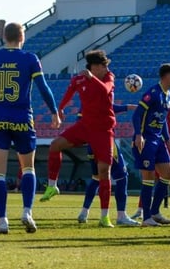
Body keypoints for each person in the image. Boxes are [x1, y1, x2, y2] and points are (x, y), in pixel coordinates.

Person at [0, 21, 62, 234]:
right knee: (28, 168)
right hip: (23, 119)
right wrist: (54, 112)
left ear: (4, 37)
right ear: (22, 38)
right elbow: (43, 87)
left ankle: (3, 220)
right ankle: (27, 211)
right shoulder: (30, 59)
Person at [46, 50, 118, 227]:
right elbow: (70, 91)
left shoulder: (108, 77)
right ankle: (52, 185)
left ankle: (104, 216)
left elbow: (105, 89)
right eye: (101, 66)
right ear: (93, 67)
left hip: (103, 130)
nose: (105, 68)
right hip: (85, 126)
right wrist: (60, 109)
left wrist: (92, 78)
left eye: (105, 66)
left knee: (103, 172)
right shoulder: (80, 79)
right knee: (55, 145)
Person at [132, 63, 170, 226]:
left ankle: (155, 212)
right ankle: (146, 218)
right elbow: (137, 115)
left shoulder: (169, 95)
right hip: (146, 140)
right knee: (149, 177)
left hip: (158, 141)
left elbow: (163, 119)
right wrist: (138, 135)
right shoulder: (152, 93)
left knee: (168, 175)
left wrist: (168, 140)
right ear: (167, 76)